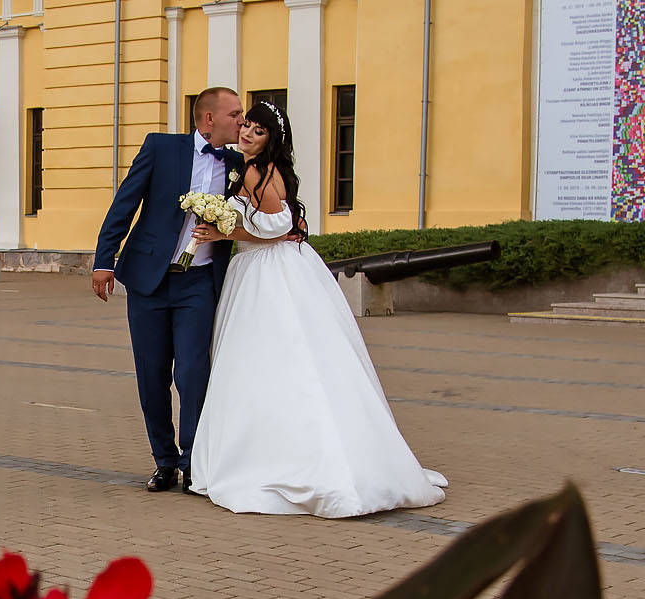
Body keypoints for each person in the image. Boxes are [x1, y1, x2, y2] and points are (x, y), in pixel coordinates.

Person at [186, 99, 449, 517]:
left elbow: (282, 226)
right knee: (295, 355)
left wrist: (227, 232)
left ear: (271, 139)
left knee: (265, 357)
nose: (247, 133)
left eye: (258, 130)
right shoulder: (266, 169)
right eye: (246, 126)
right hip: (276, 267)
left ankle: (279, 460)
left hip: (265, 272)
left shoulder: (257, 171)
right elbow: (293, 225)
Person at [91, 87, 245, 493]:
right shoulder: (161, 147)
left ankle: (193, 462)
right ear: (208, 119)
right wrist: (104, 260)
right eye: (235, 114)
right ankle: (164, 462)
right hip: (149, 280)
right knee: (152, 376)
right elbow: (125, 203)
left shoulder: (239, 164)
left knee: (194, 373)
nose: (241, 122)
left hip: (200, 280)